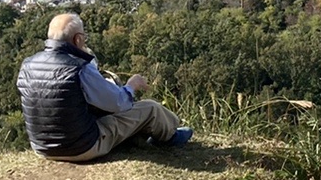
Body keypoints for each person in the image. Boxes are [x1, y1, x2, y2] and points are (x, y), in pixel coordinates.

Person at [17, 12, 191, 162]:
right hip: (81, 147)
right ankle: (170, 136)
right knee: (151, 108)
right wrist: (131, 86)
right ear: (77, 39)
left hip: (42, 147)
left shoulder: (27, 64)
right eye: (83, 37)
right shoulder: (79, 67)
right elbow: (118, 103)